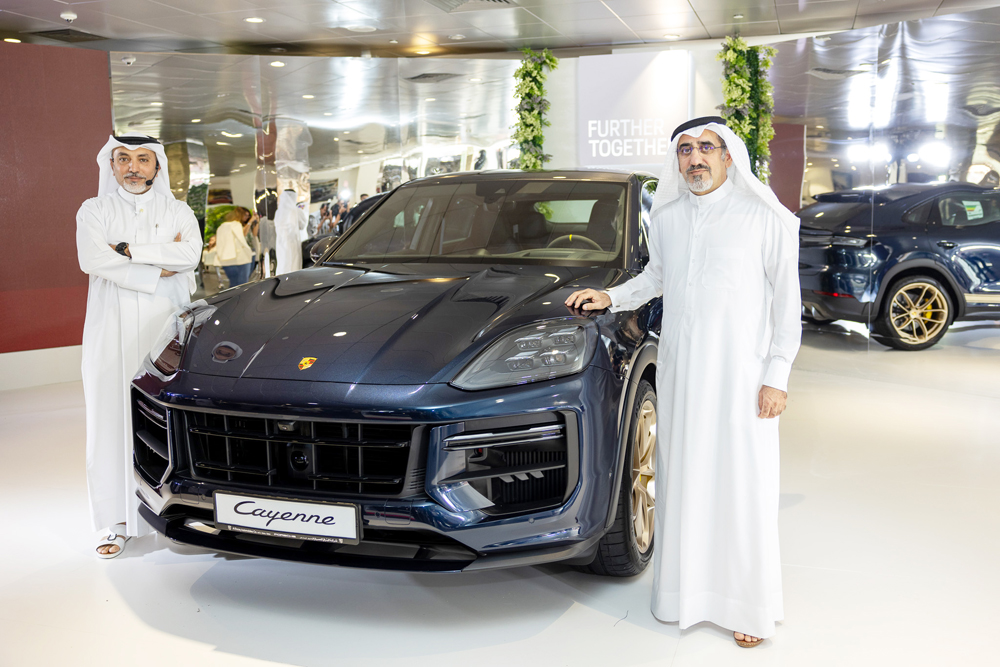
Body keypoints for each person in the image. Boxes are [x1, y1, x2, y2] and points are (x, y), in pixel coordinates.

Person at [565, 116, 801, 648]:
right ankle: (685, 597)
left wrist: (777, 376)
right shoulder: (669, 218)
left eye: (706, 149)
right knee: (687, 481)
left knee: (742, 487)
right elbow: (656, 279)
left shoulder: (766, 219)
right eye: (686, 151)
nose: (695, 159)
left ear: (727, 156)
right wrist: (612, 297)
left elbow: (788, 307)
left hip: (743, 378)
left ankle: (748, 607)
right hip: (683, 373)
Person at [76, 133, 202, 558]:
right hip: (110, 328)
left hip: (161, 326)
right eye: (123, 159)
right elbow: (92, 260)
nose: (133, 167)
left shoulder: (179, 210)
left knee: (166, 419)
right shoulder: (93, 210)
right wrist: (156, 268)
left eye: (143, 159)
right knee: (110, 417)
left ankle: (176, 509)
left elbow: (191, 255)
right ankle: (111, 522)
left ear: (157, 167)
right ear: (110, 166)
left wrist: (128, 251)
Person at [214, 208, 255, 287]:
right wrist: (251, 221)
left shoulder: (222, 227)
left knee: (233, 285)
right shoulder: (236, 225)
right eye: (245, 215)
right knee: (242, 286)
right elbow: (242, 235)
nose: (247, 217)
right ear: (239, 215)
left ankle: (232, 299)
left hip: (226, 260)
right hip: (241, 259)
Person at [274, 188, 307, 274]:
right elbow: (302, 225)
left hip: (281, 243)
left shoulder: (278, 212)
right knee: (293, 265)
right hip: (293, 243)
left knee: (283, 265)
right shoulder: (296, 211)